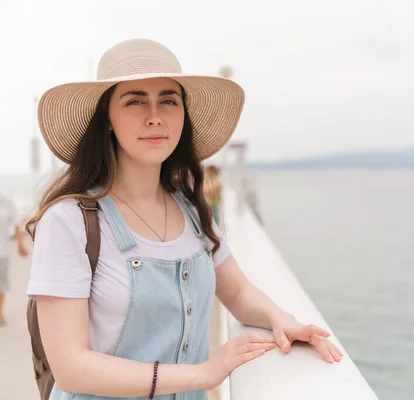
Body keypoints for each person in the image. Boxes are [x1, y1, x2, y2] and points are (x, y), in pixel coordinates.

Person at [25, 38, 342, 400]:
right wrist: (203, 374)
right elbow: (71, 368)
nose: (155, 115)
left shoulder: (191, 209)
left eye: (168, 100)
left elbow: (236, 291)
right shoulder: (68, 221)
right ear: (107, 120)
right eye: (135, 101)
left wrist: (282, 321)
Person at [0, 192, 28, 326]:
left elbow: (17, 223)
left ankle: (0, 313)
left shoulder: (6, 201)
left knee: (1, 285)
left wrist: (20, 245)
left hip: (2, 252)